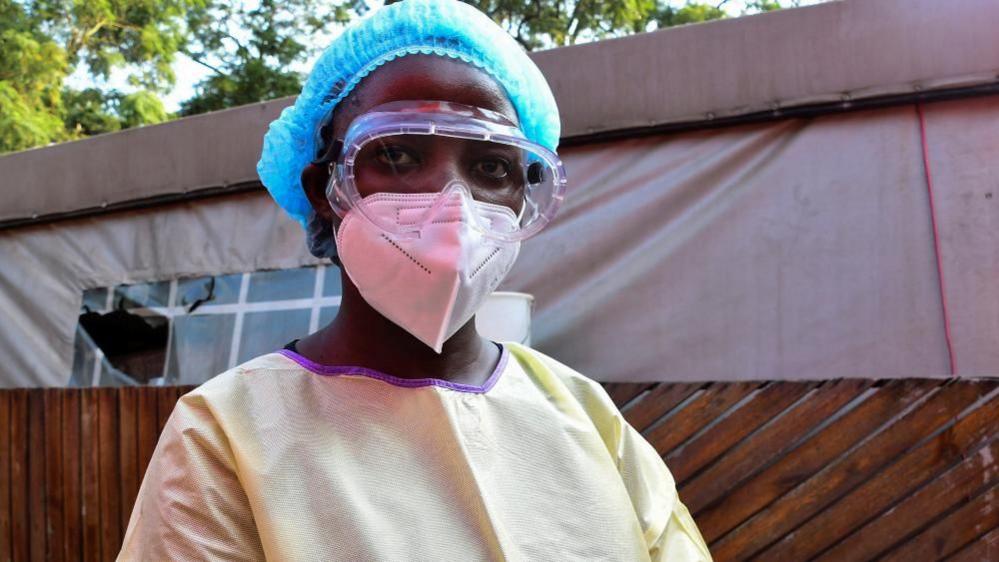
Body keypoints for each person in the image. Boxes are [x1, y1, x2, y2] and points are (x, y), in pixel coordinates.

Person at [118, 1, 712, 560]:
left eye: (491, 167)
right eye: (398, 156)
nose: (452, 203)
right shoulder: (227, 435)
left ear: (522, 198)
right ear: (325, 190)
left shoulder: (585, 415)